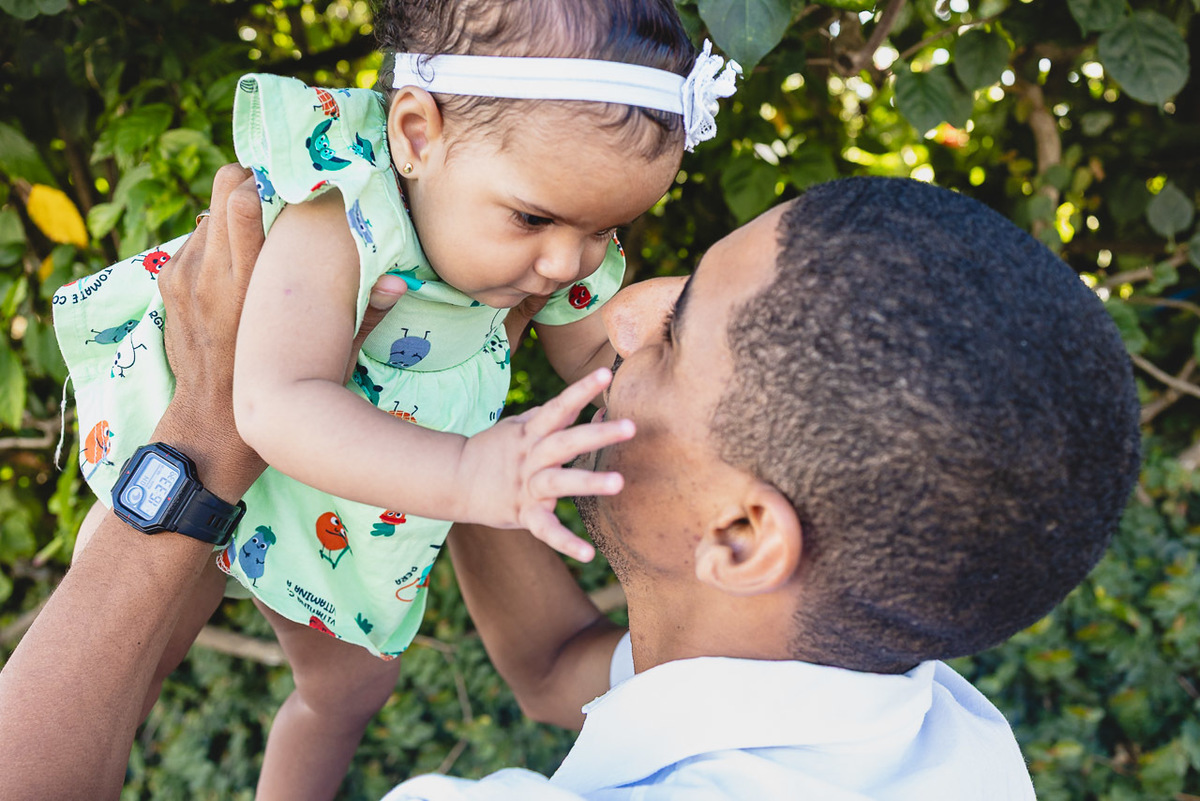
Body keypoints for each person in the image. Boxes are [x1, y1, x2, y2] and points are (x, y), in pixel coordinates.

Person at [2, 172, 1140, 800]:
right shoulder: (926, 727)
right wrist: (445, 415)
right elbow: (557, 673)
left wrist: (199, 447)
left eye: (679, 329)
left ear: (741, 534)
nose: (628, 302)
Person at [50, 1, 737, 796]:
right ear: (418, 136)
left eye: (606, 227)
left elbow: (610, 356)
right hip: (193, 464)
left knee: (347, 692)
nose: (565, 262)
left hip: (346, 515)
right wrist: (470, 474)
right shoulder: (349, 205)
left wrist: (706, 325)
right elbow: (272, 404)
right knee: (129, 656)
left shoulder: (556, 240)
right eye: (533, 217)